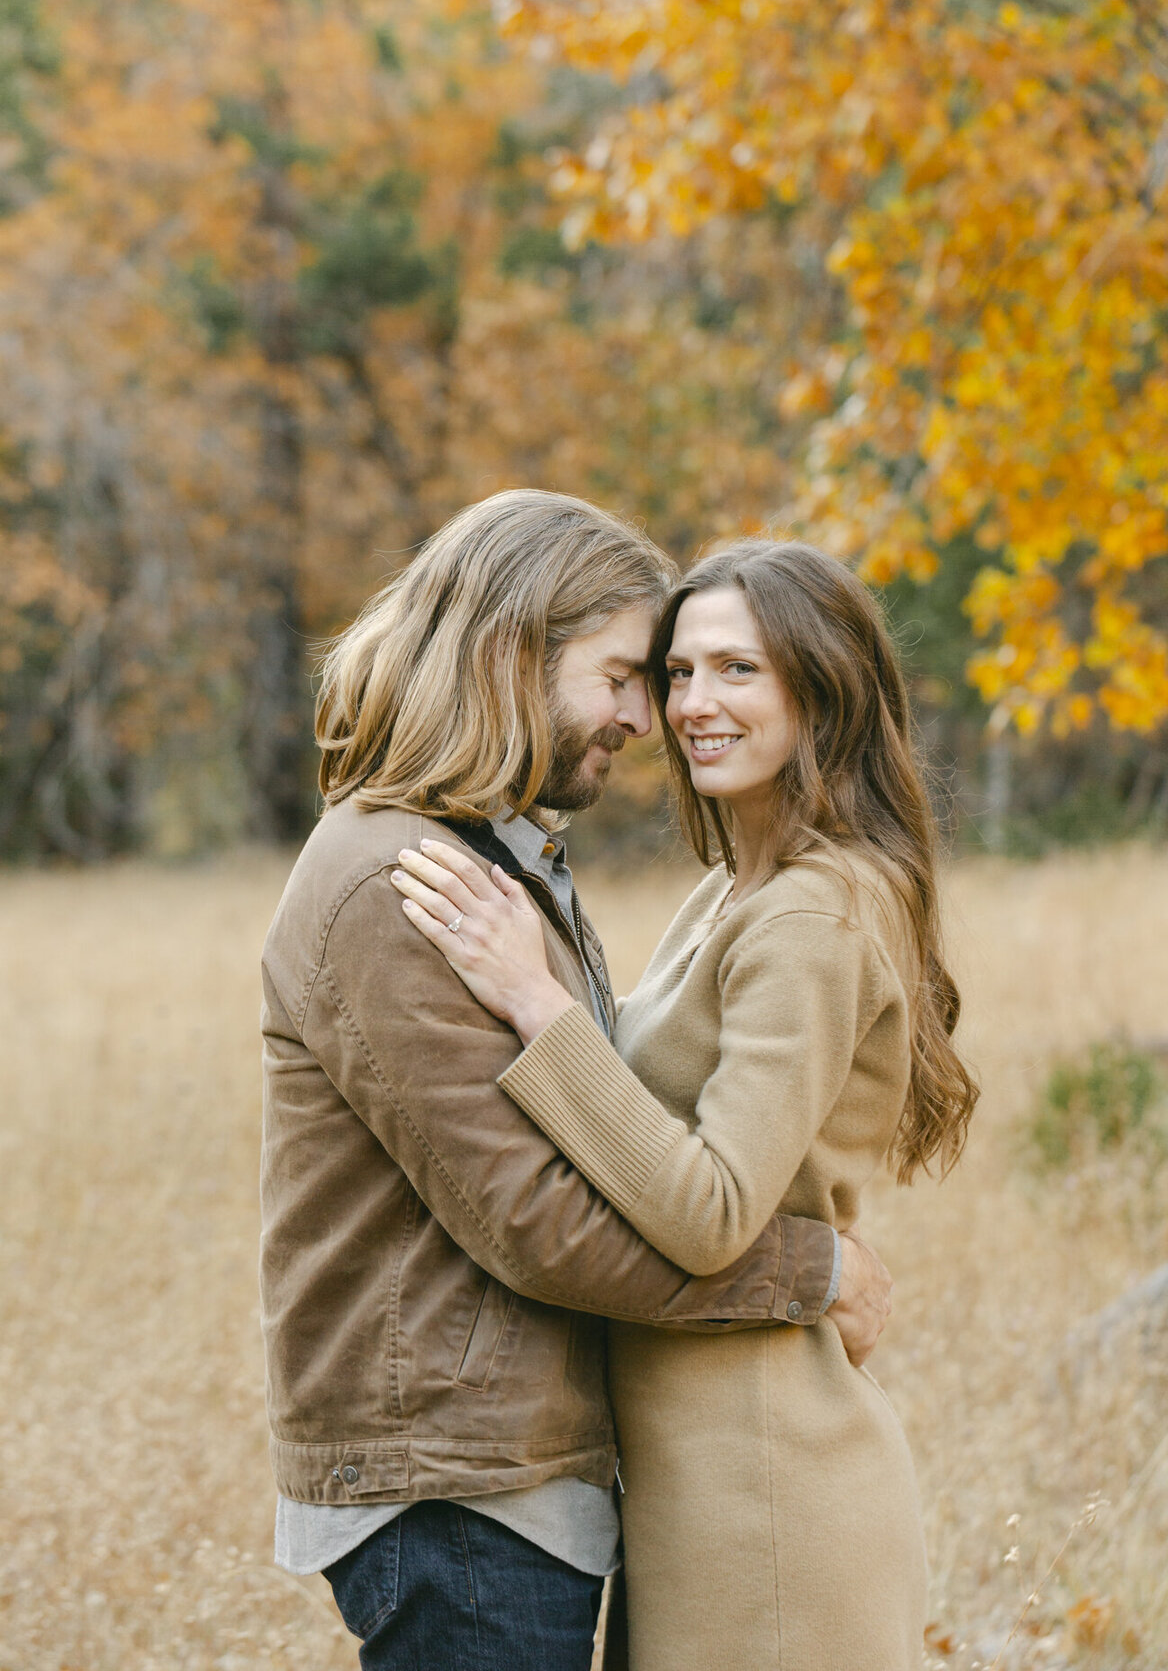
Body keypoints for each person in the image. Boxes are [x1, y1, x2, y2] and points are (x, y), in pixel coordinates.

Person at [259, 493, 894, 1671]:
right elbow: (546, 1226)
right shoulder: (401, 887)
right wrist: (814, 1270)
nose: (648, 717)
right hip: (457, 1486)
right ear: (513, 651)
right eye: (624, 677)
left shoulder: (490, 859)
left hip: (515, 1475)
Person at [393, 537, 980, 1671]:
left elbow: (711, 1208)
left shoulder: (811, 916)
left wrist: (533, 1001)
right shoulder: (734, 893)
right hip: (694, 1479)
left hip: (765, 1497)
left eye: (739, 671)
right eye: (678, 674)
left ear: (824, 688)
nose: (694, 704)